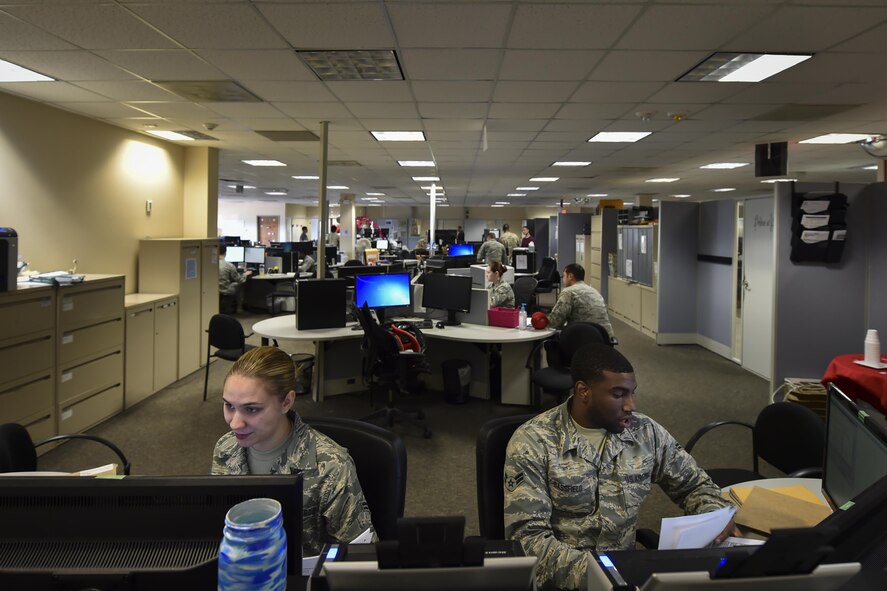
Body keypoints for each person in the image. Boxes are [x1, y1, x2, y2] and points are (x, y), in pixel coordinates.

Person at [504, 344, 738, 590]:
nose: (631, 406)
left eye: (632, 393)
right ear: (584, 391)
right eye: (618, 394)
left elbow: (696, 485)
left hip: (630, 577)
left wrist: (714, 517)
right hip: (566, 581)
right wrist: (604, 576)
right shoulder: (533, 442)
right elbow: (528, 540)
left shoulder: (644, 432)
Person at [211, 346, 376, 556]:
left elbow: (359, 554)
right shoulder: (225, 448)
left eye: (251, 409)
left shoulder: (331, 466)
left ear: (286, 402)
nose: (234, 423)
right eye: (229, 406)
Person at [544, 263, 615, 339]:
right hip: (605, 340)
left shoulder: (568, 292)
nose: (563, 279)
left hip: (583, 340)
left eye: (564, 276)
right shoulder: (594, 291)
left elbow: (554, 322)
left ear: (570, 276)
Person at [218, 244, 251, 313]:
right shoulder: (229, 266)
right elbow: (239, 279)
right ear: (225, 253)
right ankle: (239, 308)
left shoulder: (210, 264)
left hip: (215, 290)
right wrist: (245, 274)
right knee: (241, 284)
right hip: (225, 290)